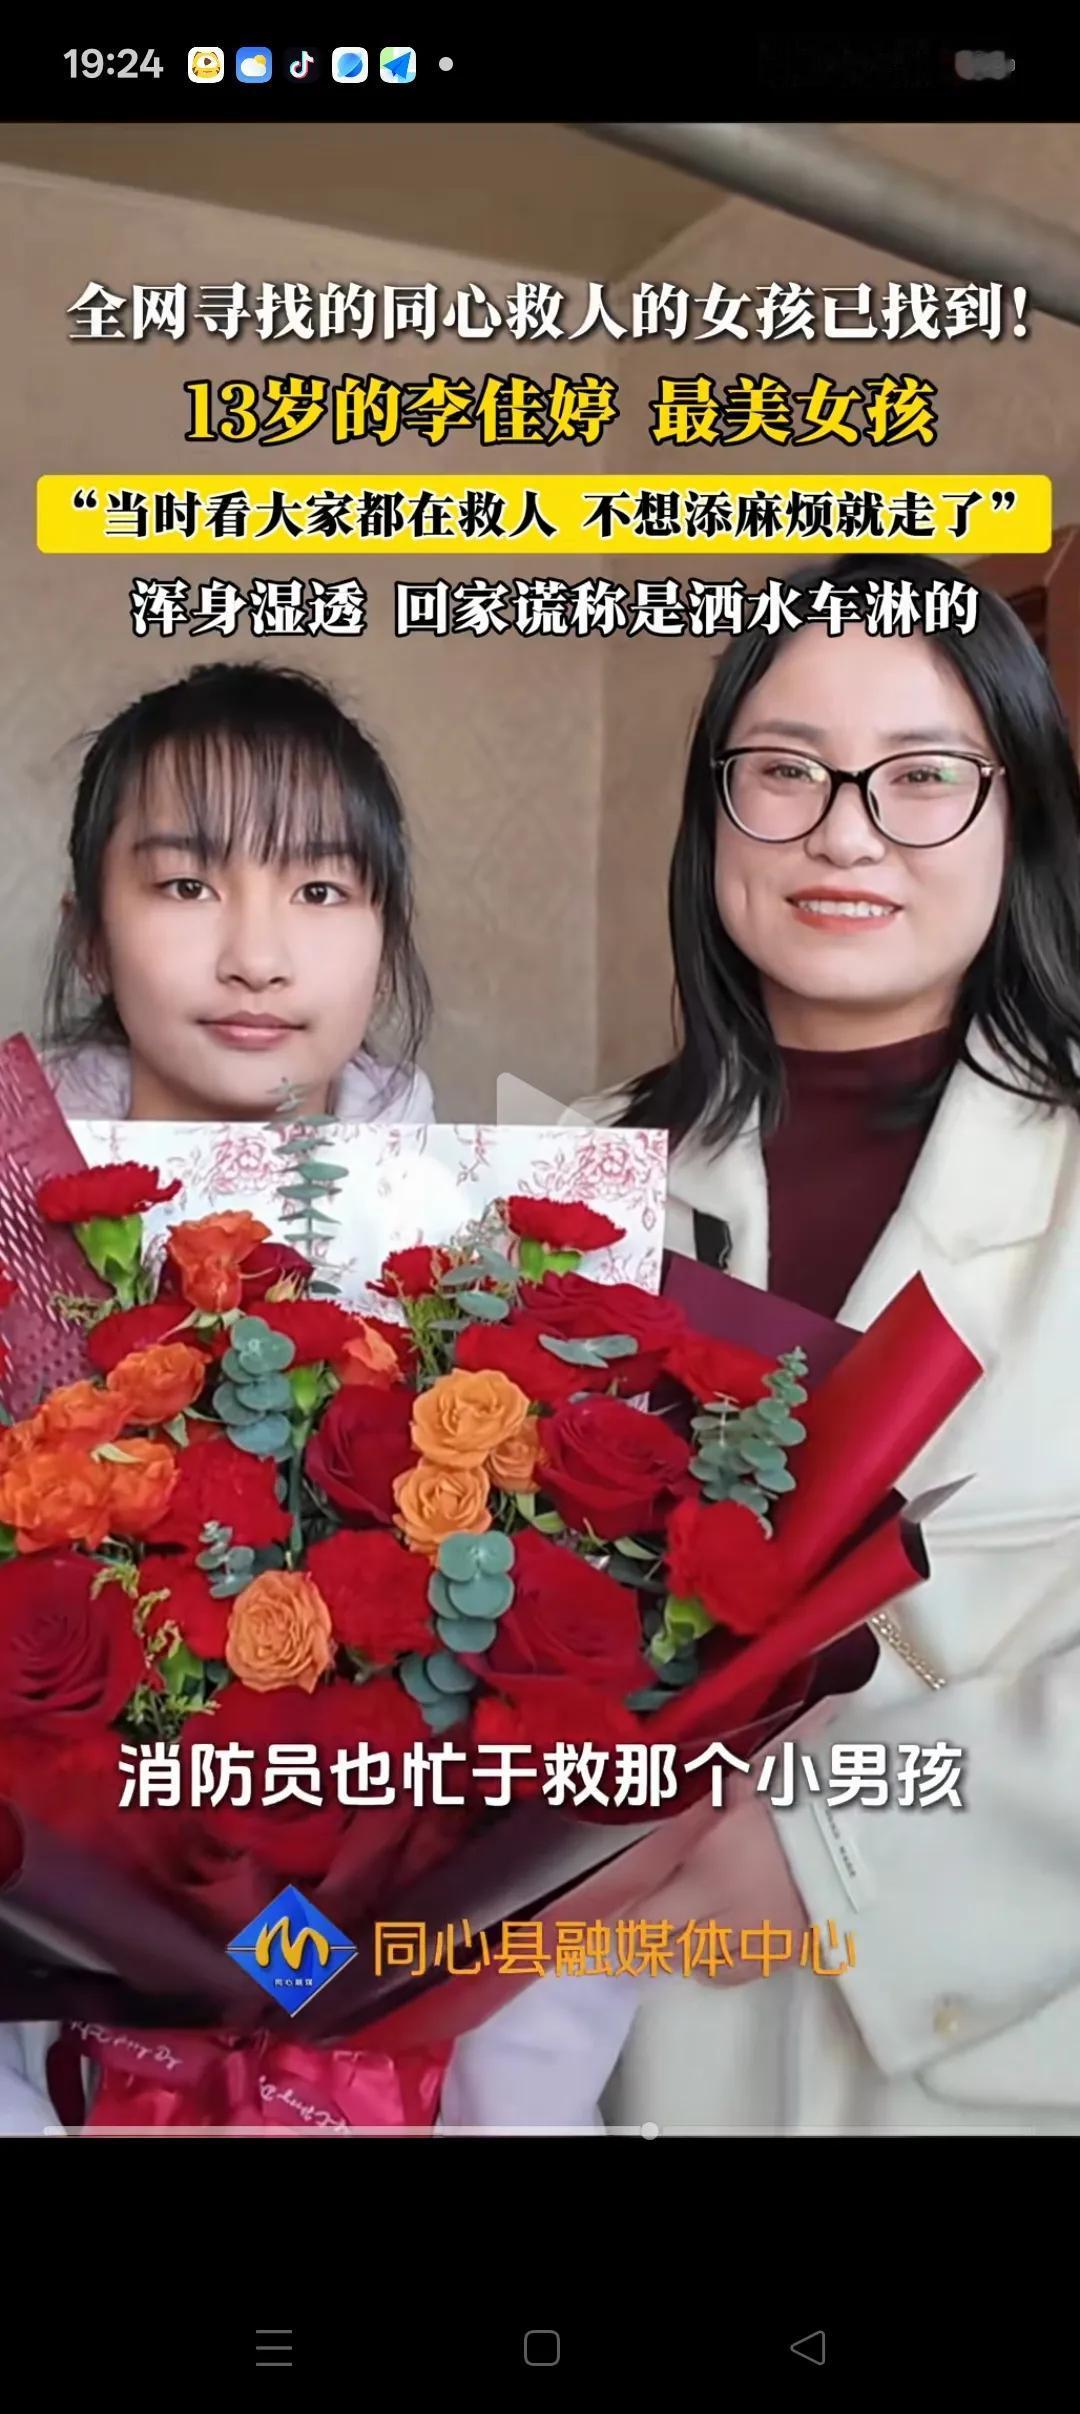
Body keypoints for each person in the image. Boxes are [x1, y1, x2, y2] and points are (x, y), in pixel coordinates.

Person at [441, 550, 1080, 2135]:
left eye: (922, 775)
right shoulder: (560, 1185)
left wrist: (827, 1848)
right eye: (785, 769)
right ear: (714, 815)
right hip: (608, 2051)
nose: (846, 831)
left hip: (990, 2066)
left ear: (1021, 816)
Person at [0, 659, 436, 2131]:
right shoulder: (11, 1197)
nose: (257, 956)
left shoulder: (465, 1237)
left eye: (319, 890)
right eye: (187, 885)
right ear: (90, 929)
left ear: (383, 931)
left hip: (380, 1966)